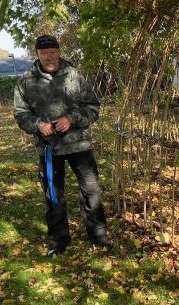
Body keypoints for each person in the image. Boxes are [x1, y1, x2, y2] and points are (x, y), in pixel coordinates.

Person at [13, 35, 111, 256]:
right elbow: (21, 114)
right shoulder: (25, 82)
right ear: (37, 54)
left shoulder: (74, 76)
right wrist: (38, 125)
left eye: (53, 52)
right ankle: (59, 241)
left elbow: (92, 106)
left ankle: (99, 236)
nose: (49, 56)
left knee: (91, 190)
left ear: (59, 52)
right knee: (53, 195)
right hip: (49, 149)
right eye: (44, 53)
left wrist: (72, 119)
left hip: (79, 145)